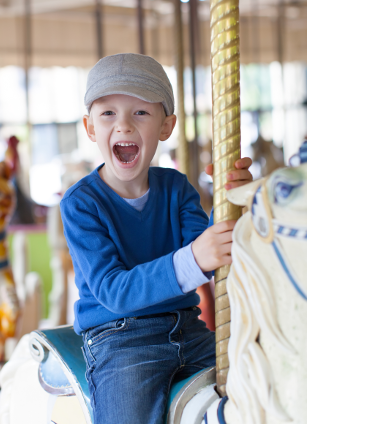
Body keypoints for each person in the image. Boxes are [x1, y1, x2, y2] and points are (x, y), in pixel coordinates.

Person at [60, 53, 253, 424]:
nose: (124, 126)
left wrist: (231, 203)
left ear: (166, 126)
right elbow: (114, 291)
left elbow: (207, 253)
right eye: (108, 114)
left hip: (189, 328)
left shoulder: (176, 188)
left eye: (141, 113)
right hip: (120, 340)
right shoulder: (81, 204)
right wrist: (197, 256)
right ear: (89, 127)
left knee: (259, 383)